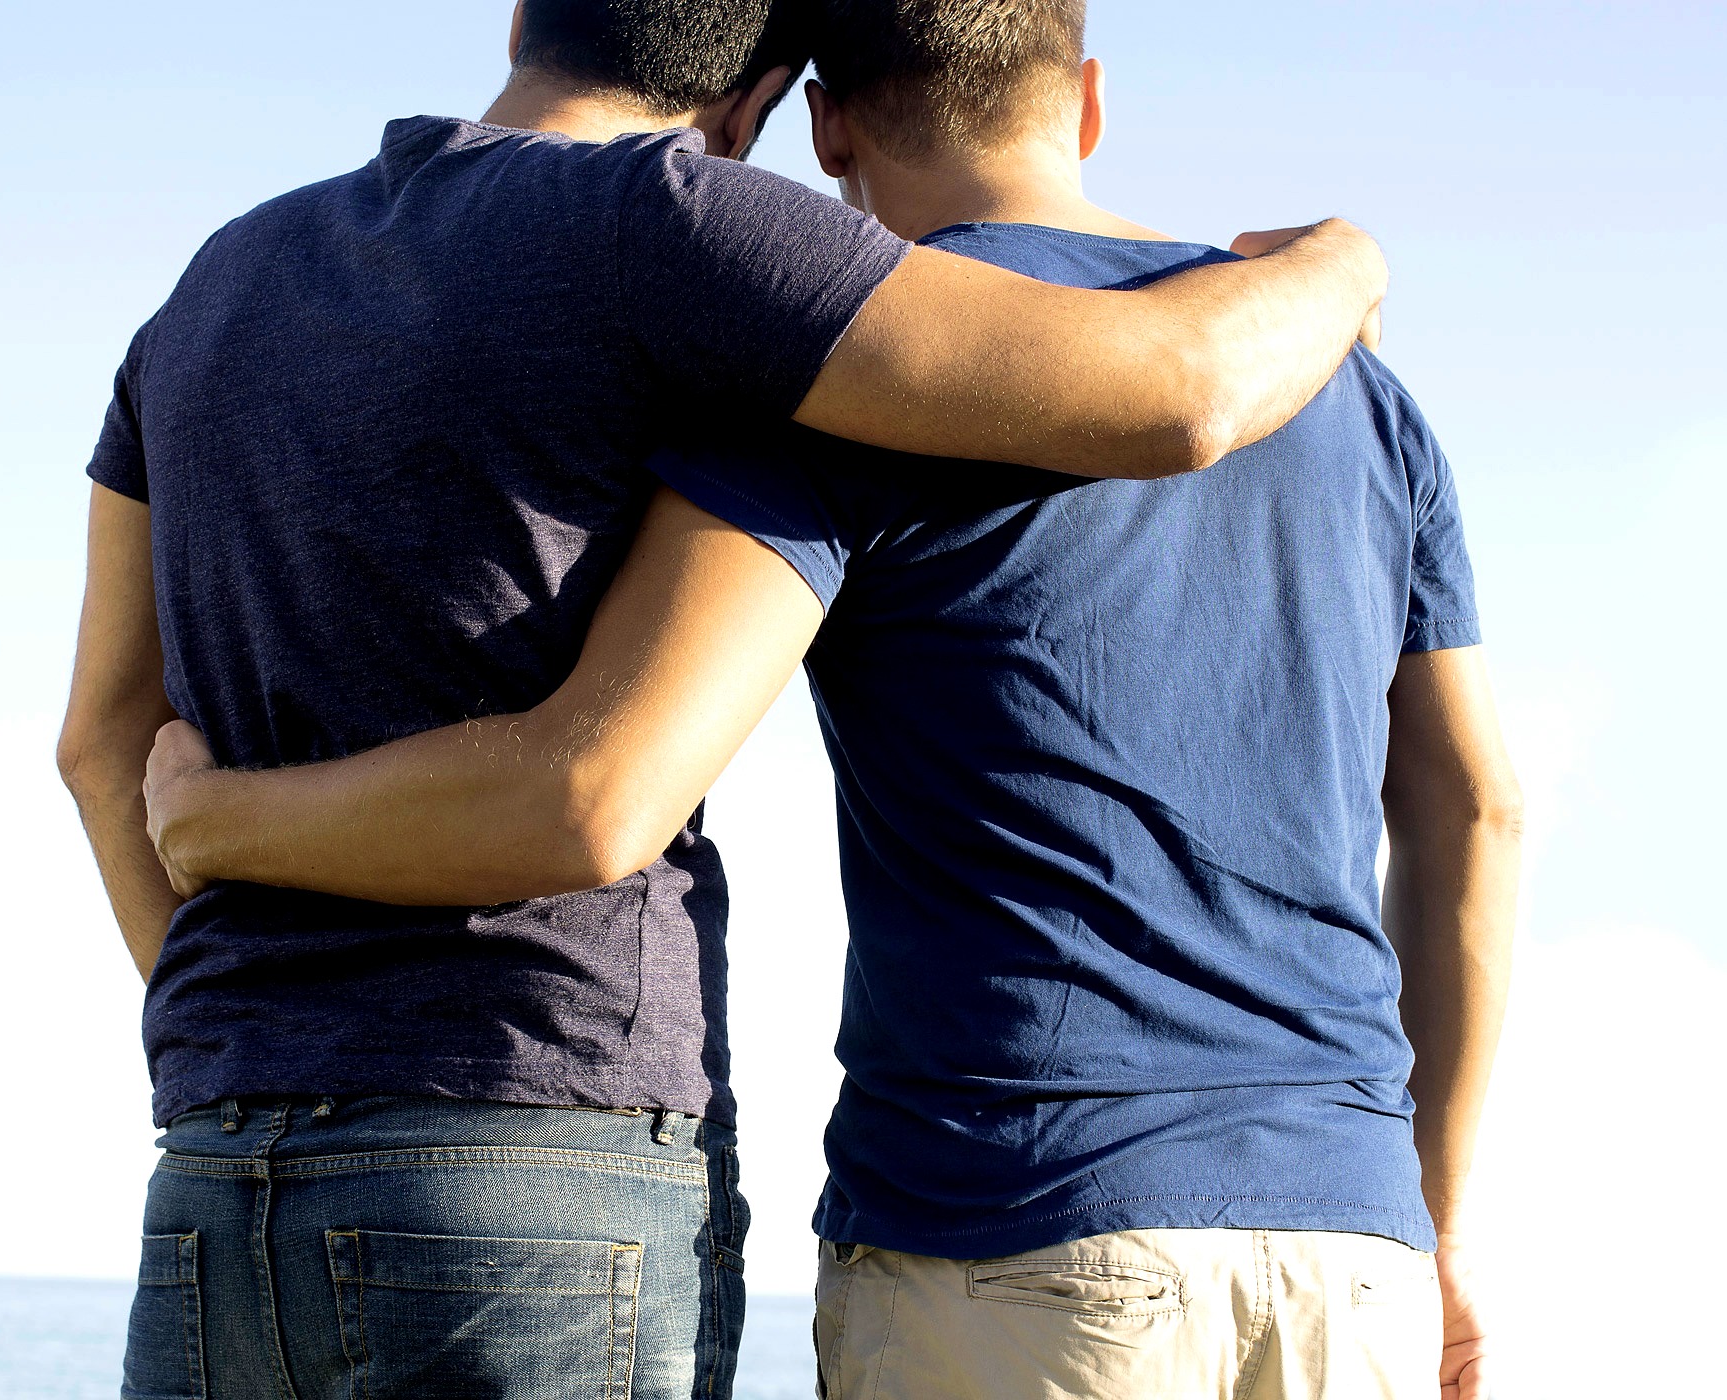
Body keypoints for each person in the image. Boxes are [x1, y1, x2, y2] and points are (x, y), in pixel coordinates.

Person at [137, 2, 1519, 1398]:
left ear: (826, 125)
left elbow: (601, 781)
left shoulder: (844, 393)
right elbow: (1478, 810)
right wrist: (1443, 1220)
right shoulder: (1357, 395)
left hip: (1008, 1225)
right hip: (1356, 1249)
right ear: (1088, 100)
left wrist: (220, 833)